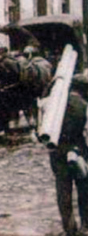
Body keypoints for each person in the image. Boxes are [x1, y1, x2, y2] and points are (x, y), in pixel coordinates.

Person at [50, 73, 88, 235]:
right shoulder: (83, 105)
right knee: (84, 189)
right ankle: (85, 225)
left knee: (63, 190)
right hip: (80, 151)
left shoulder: (54, 105)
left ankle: (69, 228)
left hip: (58, 153)